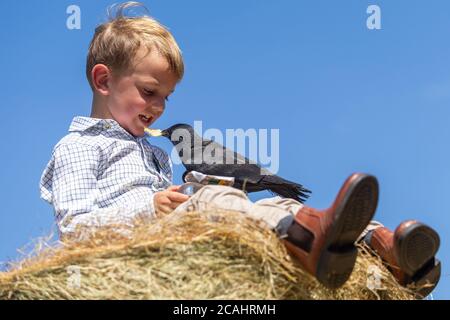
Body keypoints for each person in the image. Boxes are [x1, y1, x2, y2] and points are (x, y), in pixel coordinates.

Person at [39, 2, 440, 295]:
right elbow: (75, 230)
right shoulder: (77, 147)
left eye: (166, 97)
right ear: (103, 81)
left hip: (174, 226)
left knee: (272, 207)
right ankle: (309, 242)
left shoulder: (155, 153)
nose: (159, 106)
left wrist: (183, 192)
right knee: (215, 198)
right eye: (149, 92)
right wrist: (150, 207)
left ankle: (385, 250)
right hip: (140, 240)